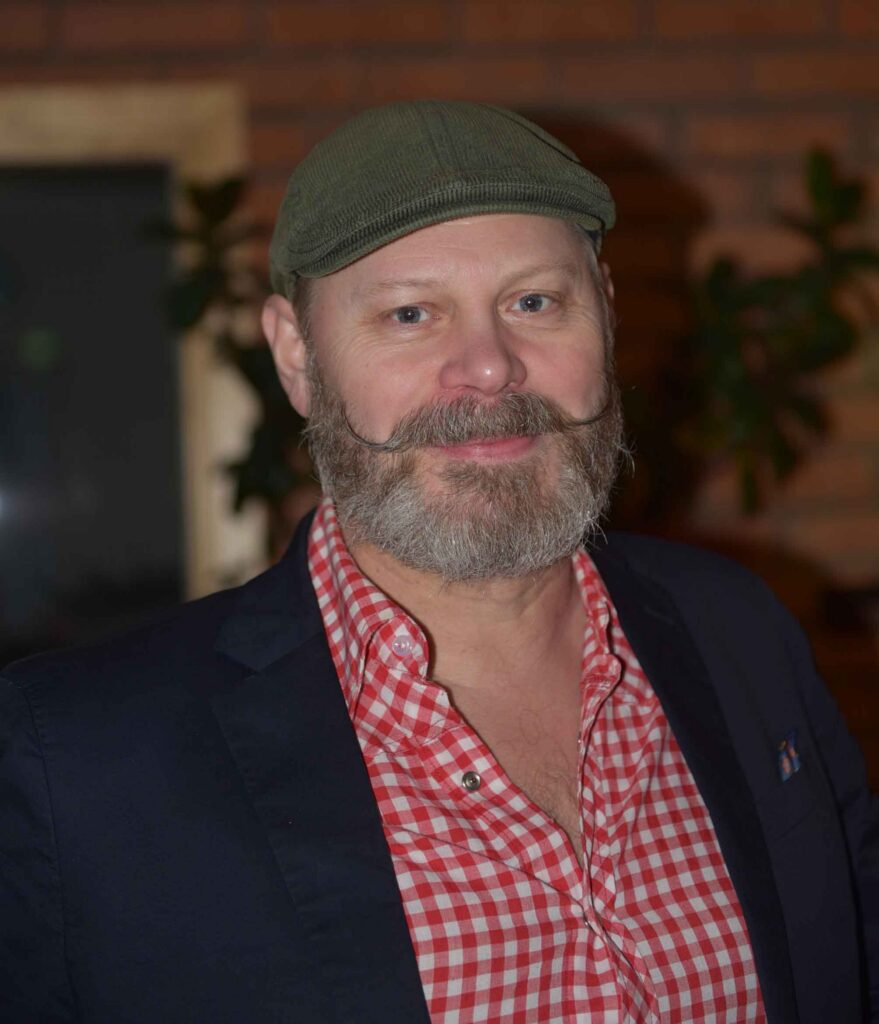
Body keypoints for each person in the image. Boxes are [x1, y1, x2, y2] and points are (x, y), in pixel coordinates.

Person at [1, 100, 876, 1024]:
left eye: (534, 302)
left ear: (607, 316)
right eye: (410, 313)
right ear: (296, 357)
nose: (489, 368)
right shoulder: (81, 764)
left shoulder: (738, 629)